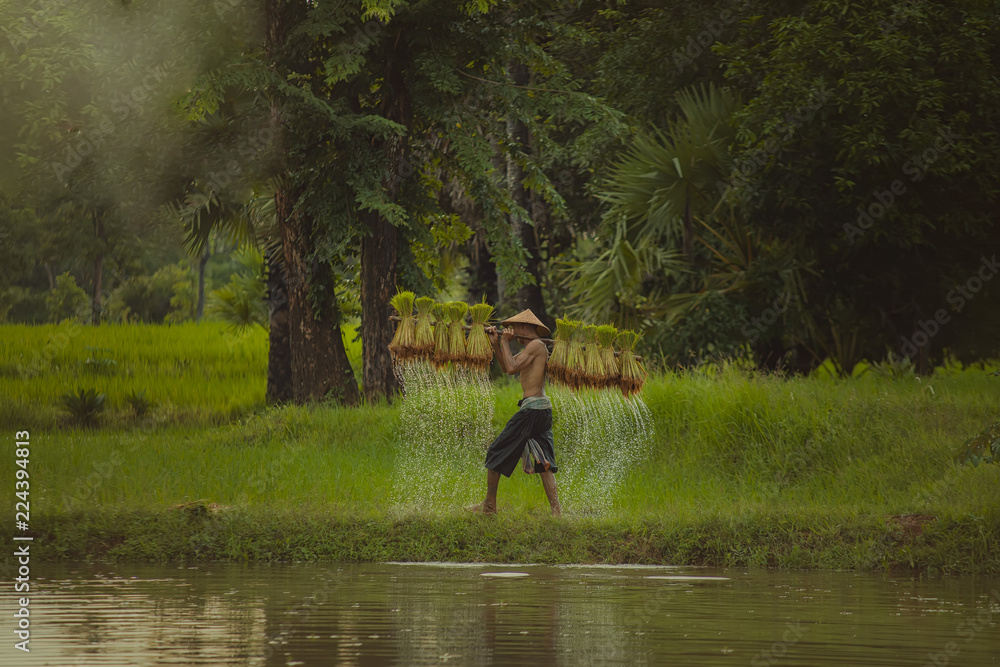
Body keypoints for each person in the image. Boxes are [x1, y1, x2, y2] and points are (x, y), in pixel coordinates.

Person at [468, 309, 561, 516]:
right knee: (543, 461)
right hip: (541, 411)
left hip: (532, 412)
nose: (513, 332)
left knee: (496, 451)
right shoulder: (532, 349)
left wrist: (504, 342)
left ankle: (489, 506)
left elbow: (511, 368)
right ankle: (556, 512)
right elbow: (506, 366)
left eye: (515, 328)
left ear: (524, 327)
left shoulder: (536, 345)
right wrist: (496, 344)